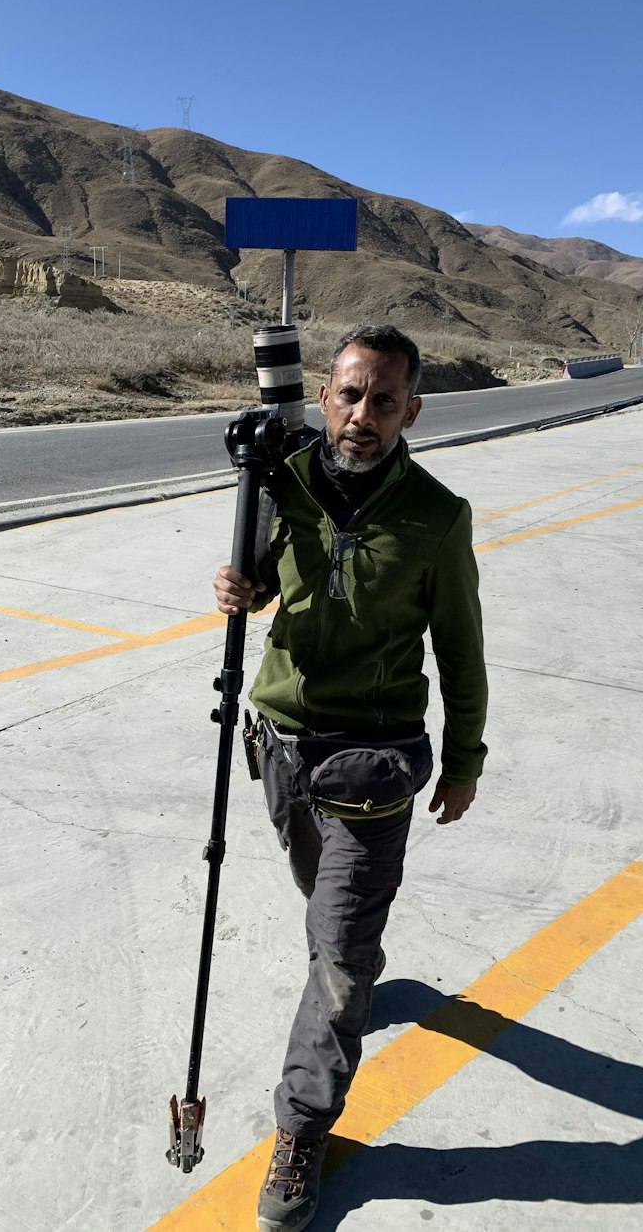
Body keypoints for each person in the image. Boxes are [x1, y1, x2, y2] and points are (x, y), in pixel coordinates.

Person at [213, 323, 488, 1232]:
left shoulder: (438, 516)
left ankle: (301, 1129)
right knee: (329, 920)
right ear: (324, 397)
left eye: (383, 399)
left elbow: (461, 649)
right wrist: (237, 587)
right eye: (348, 394)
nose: (362, 415)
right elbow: (254, 583)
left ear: (413, 409)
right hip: (283, 745)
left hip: (375, 763)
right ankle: (357, 972)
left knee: (335, 950)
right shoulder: (282, 483)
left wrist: (464, 757)